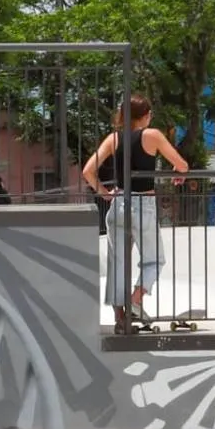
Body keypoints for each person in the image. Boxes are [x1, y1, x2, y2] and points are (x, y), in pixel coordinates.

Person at [81, 95, 188, 334]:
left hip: (118, 203)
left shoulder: (113, 138)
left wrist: (106, 194)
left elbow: (88, 171)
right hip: (143, 205)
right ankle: (135, 301)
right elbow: (182, 165)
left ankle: (121, 320)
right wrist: (177, 172)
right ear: (146, 115)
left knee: (117, 264)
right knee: (154, 259)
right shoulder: (152, 136)